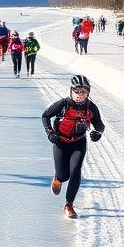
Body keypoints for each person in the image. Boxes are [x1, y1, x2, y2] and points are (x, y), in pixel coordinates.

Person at [41, 74, 105, 219]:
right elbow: (45, 116)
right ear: (71, 91)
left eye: (83, 92)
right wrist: (50, 132)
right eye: (77, 91)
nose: (80, 95)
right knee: (64, 175)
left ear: (88, 93)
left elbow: (100, 125)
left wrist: (98, 133)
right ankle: (58, 178)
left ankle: (69, 204)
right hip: (61, 142)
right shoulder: (64, 104)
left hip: (79, 142)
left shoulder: (91, 107)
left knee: (76, 171)